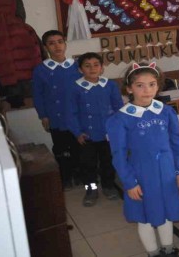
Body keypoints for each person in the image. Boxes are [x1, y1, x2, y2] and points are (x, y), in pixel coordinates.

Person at [106, 62, 179, 257]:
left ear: (158, 86)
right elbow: (119, 155)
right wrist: (130, 182)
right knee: (145, 216)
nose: (147, 90)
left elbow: (176, 143)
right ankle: (153, 252)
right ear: (129, 88)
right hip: (142, 174)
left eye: (152, 84)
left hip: (167, 172)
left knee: (167, 212)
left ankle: (169, 249)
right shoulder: (121, 119)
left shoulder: (166, 111)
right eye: (140, 85)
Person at [69, 52, 123, 206]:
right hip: (87, 135)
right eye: (87, 66)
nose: (92, 68)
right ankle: (91, 190)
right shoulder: (75, 87)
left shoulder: (110, 85)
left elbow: (118, 108)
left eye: (96, 65)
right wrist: (77, 132)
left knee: (108, 162)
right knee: (88, 165)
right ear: (80, 70)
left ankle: (108, 186)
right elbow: (71, 113)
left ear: (102, 68)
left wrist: (117, 129)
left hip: (108, 134)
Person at [32, 30, 81, 189]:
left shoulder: (77, 66)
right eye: (51, 43)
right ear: (45, 47)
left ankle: (79, 175)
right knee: (61, 148)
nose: (57, 46)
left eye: (60, 42)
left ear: (65, 44)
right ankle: (65, 177)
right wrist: (43, 116)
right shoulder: (41, 70)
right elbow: (38, 95)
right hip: (56, 116)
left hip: (77, 115)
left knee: (78, 146)